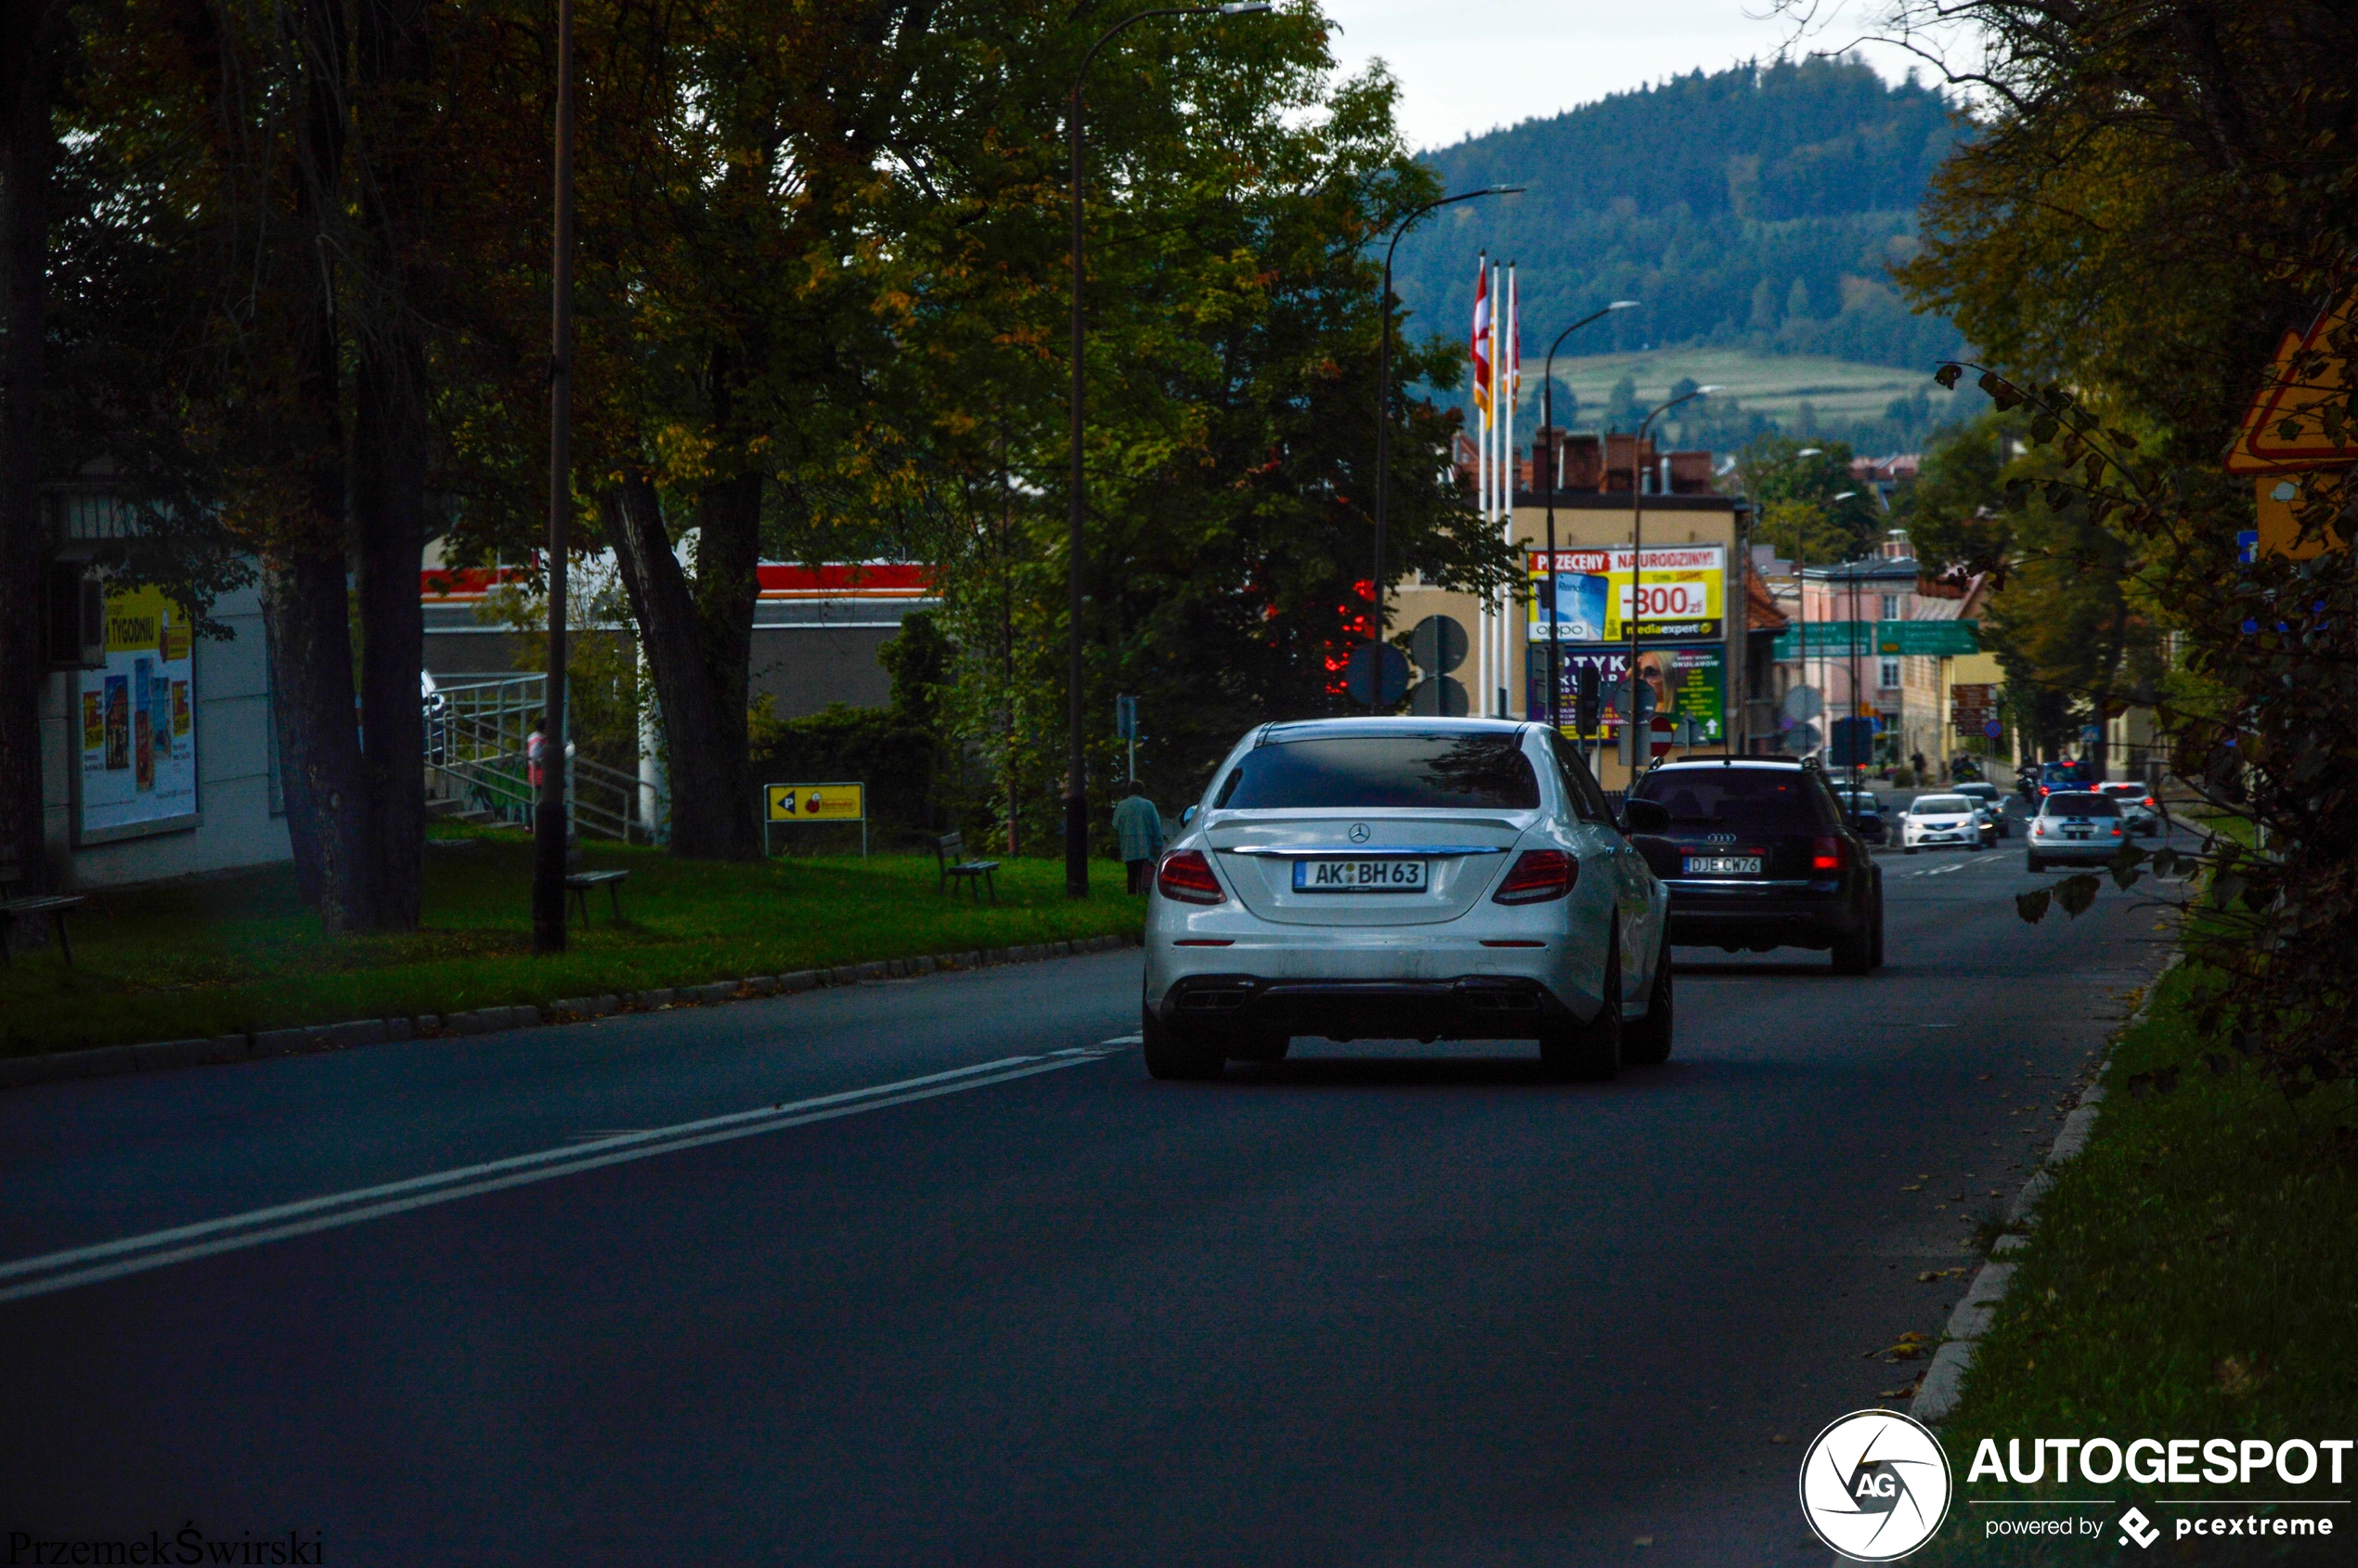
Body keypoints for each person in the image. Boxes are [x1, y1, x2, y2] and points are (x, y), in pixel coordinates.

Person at [1112, 784, 1165, 895]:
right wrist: (1158, 844)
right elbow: (1156, 826)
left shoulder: (1122, 805)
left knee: (1131, 871)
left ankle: (1131, 893)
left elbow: (1115, 824)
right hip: (1145, 844)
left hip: (1128, 844)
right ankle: (1142, 891)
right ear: (1142, 791)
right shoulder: (1149, 805)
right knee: (1144, 871)